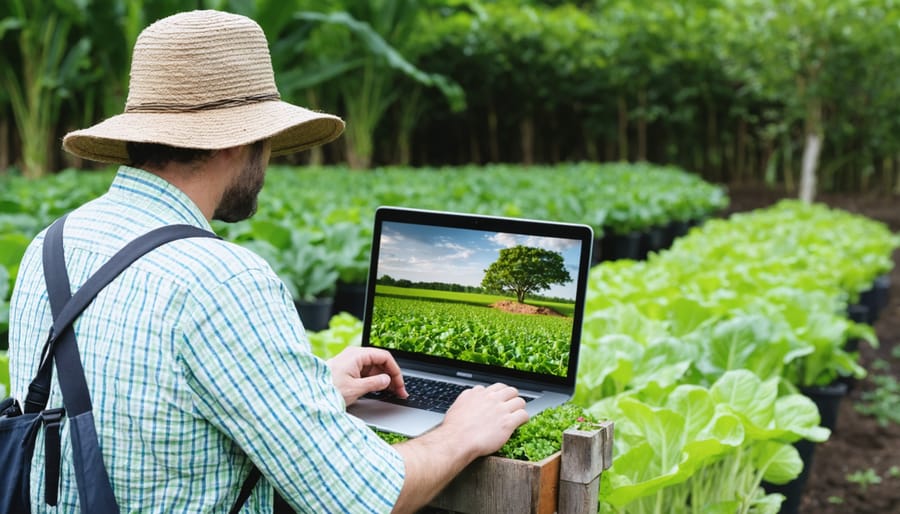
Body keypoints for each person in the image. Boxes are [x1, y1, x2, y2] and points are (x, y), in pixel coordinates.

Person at [8, 9, 529, 513]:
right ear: (239, 142)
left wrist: (307, 389)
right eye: (268, 141)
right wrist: (460, 432)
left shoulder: (51, 245)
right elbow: (362, 499)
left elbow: (142, 410)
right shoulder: (223, 280)